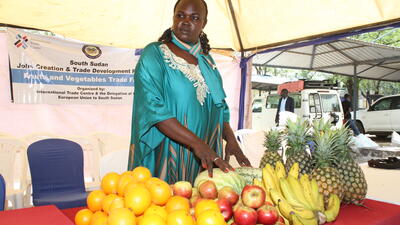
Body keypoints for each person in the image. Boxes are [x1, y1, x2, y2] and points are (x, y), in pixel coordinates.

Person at [128, 0, 251, 184]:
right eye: (180, 15)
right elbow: (153, 108)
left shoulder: (207, 62)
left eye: (194, 17)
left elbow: (220, 107)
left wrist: (231, 140)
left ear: (204, 23)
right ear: (173, 17)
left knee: (201, 207)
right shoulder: (155, 54)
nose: (186, 21)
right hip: (167, 153)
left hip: (205, 156)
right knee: (165, 207)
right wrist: (197, 144)